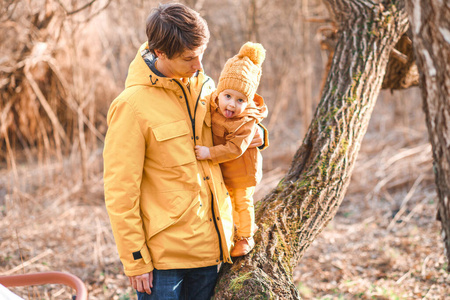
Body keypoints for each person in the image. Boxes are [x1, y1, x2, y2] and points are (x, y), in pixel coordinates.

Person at [103, 3, 266, 299]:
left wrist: (257, 135)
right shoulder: (131, 105)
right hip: (164, 260)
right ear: (161, 53)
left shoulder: (207, 88)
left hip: (211, 250)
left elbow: (233, 126)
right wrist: (135, 259)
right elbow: (120, 190)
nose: (200, 66)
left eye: (201, 54)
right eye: (190, 58)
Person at [194, 42, 268, 257]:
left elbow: (235, 148)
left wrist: (209, 153)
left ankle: (245, 237)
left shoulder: (246, 121)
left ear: (249, 101)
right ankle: (232, 233)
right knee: (227, 201)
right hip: (223, 168)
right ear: (219, 92)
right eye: (228, 96)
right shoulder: (211, 103)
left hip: (242, 168)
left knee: (242, 201)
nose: (232, 105)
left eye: (240, 100)